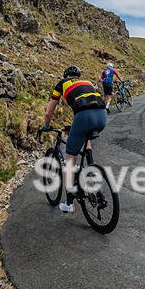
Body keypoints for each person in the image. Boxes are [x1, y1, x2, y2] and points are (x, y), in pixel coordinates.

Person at [43, 66, 107, 213]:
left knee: (69, 161)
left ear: (66, 75)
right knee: (85, 136)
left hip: (84, 117)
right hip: (102, 116)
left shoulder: (62, 83)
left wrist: (46, 125)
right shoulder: (88, 83)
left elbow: (49, 111)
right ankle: (91, 166)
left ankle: (69, 203)